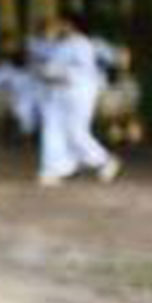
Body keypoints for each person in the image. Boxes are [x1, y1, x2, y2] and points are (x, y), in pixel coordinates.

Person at [35, 12, 121, 186]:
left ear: (70, 25)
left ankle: (103, 161)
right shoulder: (65, 44)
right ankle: (58, 169)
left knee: (75, 131)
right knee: (54, 129)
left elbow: (74, 70)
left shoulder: (79, 44)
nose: (58, 27)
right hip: (61, 92)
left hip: (77, 92)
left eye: (60, 23)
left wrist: (49, 72)